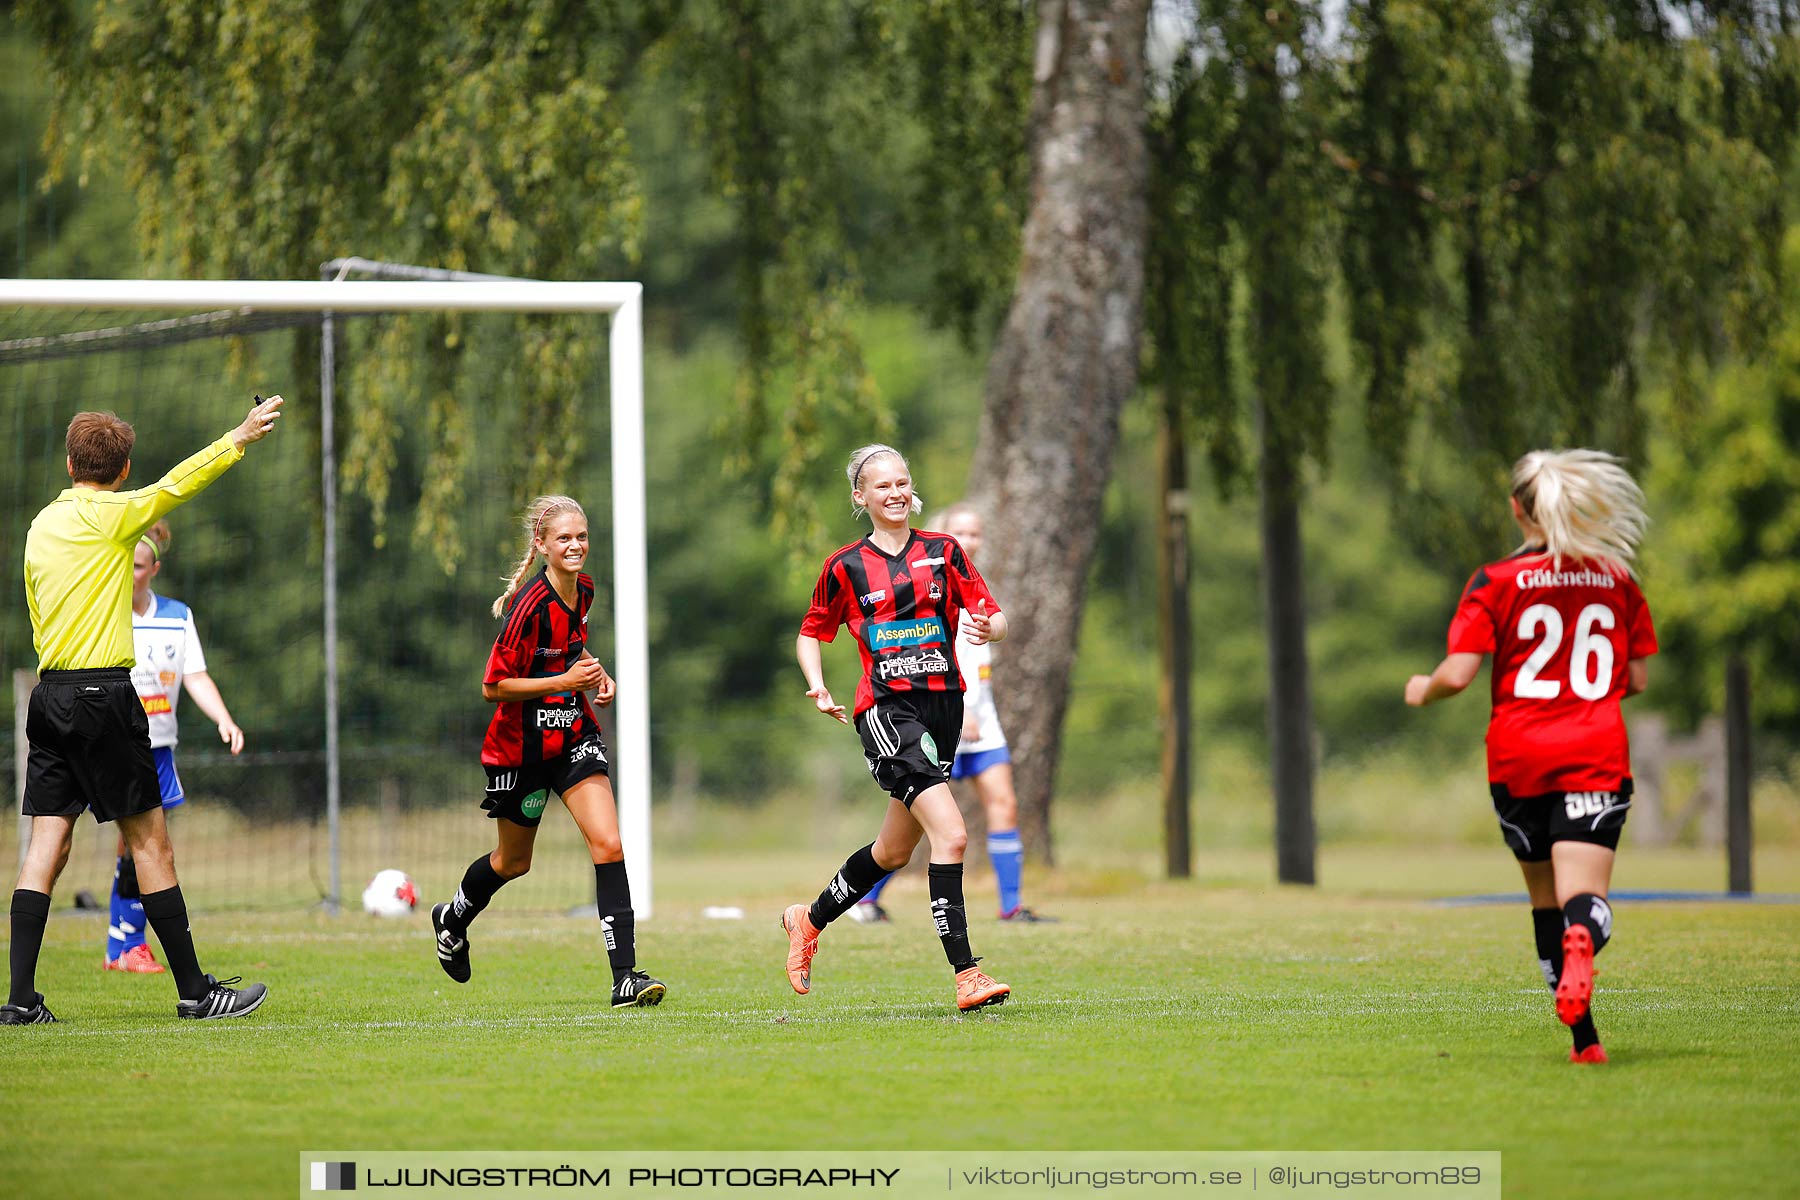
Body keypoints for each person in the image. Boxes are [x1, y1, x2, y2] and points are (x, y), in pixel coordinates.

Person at [6, 398, 283, 1026]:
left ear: (69, 461)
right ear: (123, 468)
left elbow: (34, 600)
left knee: (46, 844)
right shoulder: (119, 513)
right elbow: (179, 483)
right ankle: (194, 992)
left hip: (49, 694)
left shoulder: (41, 523)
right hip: (103, 695)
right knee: (151, 843)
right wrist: (237, 436)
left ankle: (20, 999)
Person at [1405, 449, 1656, 1065]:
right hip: (1594, 750)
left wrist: (1423, 688)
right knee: (1584, 900)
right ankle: (1583, 944)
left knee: (1545, 899)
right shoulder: (1617, 579)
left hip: (1518, 758)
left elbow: (1460, 674)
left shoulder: (1494, 581)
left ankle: (1586, 1042)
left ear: (1516, 508)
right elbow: (1638, 678)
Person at [783, 444, 1013, 1012]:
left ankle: (806, 921)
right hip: (886, 711)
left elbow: (995, 613)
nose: (895, 492)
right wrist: (816, 682)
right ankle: (967, 973)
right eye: (882, 485)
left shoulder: (944, 552)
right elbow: (811, 632)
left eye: (903, 482)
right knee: (953, 835)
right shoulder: (846, 565)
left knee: (891, 852)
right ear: (861, 497)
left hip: (945, 708)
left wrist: (993, 629)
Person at [430, 495, 666, 1009]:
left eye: (581, 536)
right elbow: (494, 687)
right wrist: (564, 679)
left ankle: (625, 978)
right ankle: (452, 918)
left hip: (572, 734)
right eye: (564, 538)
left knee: (609, 843)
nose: (576, 545)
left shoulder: (584, 590)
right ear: (541, 545)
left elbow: (570, 646)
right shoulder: (528, 607)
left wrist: (596, 673)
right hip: (520, 752)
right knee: (513, 862)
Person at [851, 502, 1052, 925]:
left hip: (983, 719)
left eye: (977, 532)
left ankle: (1010, 906)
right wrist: (965, 713)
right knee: (921, 825)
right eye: (962, 532)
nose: (971, 540)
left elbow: (987, 641)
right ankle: (865, 898)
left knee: (1004, 804)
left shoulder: (977, 582)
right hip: (947, 716)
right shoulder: (927, 582)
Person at [103, 519, 247, 973]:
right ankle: (126, 945)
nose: (131, 574)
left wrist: (224, 718)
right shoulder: (103, 616)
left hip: (158, 748)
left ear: (155, 569)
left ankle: (122, 943)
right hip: (112, 746)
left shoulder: (177, 616)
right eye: (126, 565)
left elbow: (196, 676)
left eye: (140, 567)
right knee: (143, 845)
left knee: (139, 846)